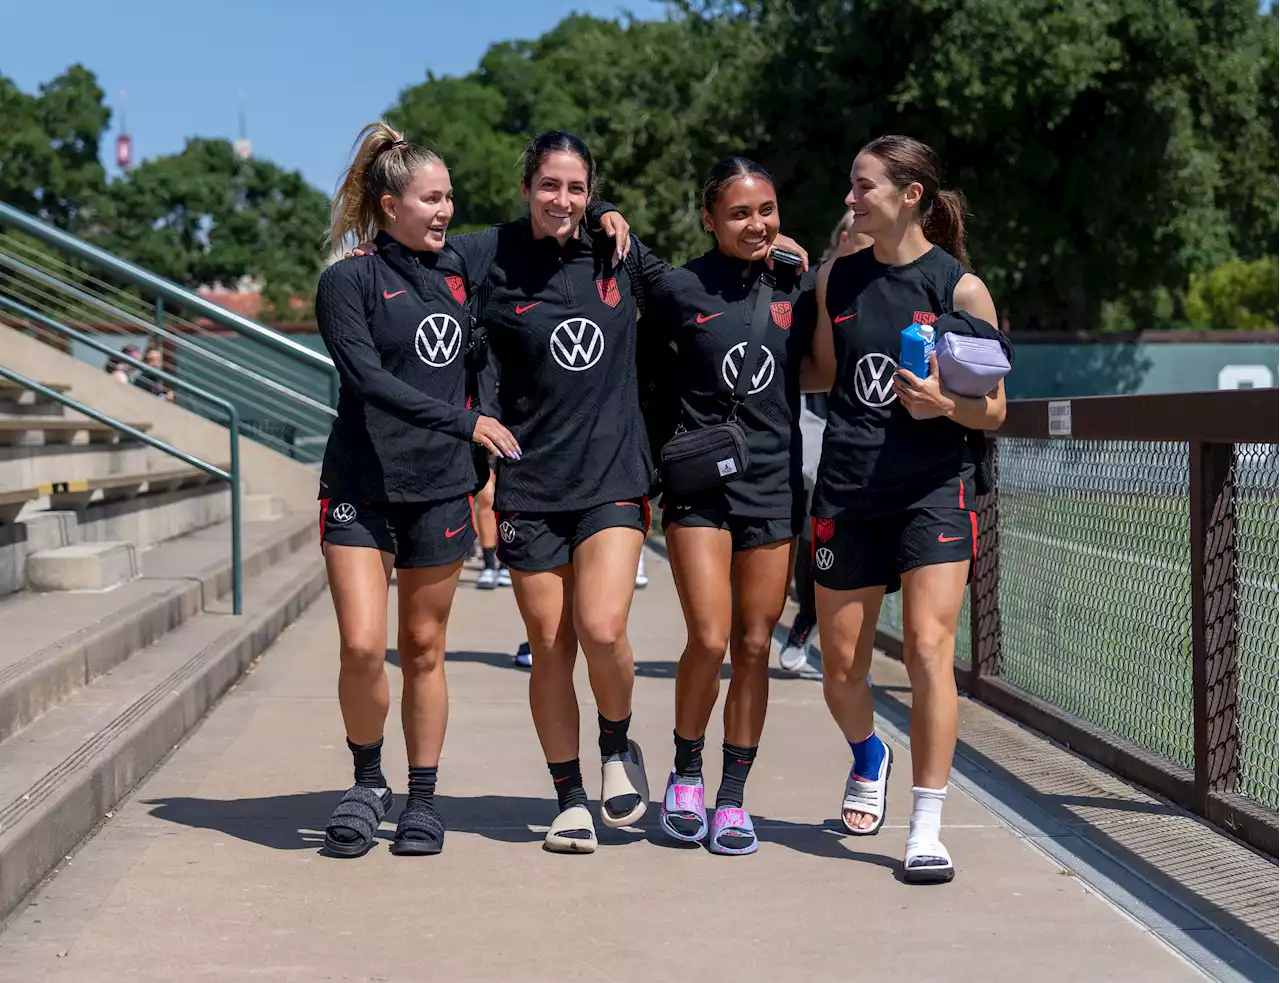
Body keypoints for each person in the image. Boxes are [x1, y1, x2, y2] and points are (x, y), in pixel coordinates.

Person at [313, 121, 521, 859]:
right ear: (390, 203)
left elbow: (542, 220)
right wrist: (469, 421)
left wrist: (606, 218)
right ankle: (369, 782)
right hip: (362, 487)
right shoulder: (349, 278)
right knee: (364, 645)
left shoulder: (460, 265)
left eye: (450, 199)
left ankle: (422, 798)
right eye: (431, 199)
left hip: (439, 490)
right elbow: (368, 381)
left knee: (424, 647)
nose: (444, 212)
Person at [806, 135, 1005, 883]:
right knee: (840, 670)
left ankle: (927, 824)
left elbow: (993, 410)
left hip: (934, 486)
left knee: (927, 650)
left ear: (910, 194)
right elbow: (821, 371)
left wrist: (941, 402)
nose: (851, 199)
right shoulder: (836, 280)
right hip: (850, 489)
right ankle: (869, 754)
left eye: (863, 187)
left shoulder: (960, 290)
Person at [630, 158, 814, 855]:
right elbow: (644, 376)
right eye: (739, 213)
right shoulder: (680, 288)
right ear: (709, 218)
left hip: (772, 485)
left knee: (755, 644)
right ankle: (684, 773)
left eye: (766, 209)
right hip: (700, 485)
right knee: (709, 636)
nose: (756, 224)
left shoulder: (799, 284)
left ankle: (733, 797)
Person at [779, 210, 874, 674]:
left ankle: (847, 636)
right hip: (813, 416)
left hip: (868, 426)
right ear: (844, 236)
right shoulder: (811, 283)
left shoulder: (891, 284)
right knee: (808, 514)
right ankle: (810, 611)